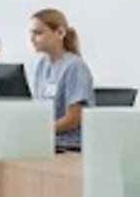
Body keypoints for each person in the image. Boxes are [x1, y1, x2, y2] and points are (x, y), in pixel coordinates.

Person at [28, 8, 94, 152]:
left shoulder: (75, 67)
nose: (32, 38)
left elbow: (73, 119)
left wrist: (39, 131)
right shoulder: (42, 65)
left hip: (69, 146)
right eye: (31, 33)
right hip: (47, 142)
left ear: (60, 33)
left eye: (38, 33)